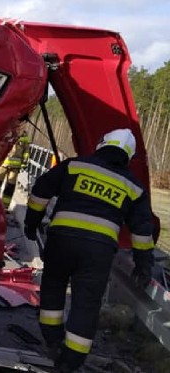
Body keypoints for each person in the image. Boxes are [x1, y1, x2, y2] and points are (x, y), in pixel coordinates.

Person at [23, 128, 155, 372]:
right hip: (99, 251)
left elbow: (41, 191)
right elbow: (142, 231)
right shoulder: (134, 187)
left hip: (61, 241)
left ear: (101, 143)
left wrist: (31, 224)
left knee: (53, 287)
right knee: (86, 303)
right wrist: (143, 264)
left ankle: (52, 340)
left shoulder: (75, 166)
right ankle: (70, 361)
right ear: (129, 155)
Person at [0, 130, 30, 209]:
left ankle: (4, 206)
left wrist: (24, 162)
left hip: (15, 167)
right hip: (3, 164)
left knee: (10, 187)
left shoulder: (24, 136)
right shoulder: (7, 131)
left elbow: (26, 151)